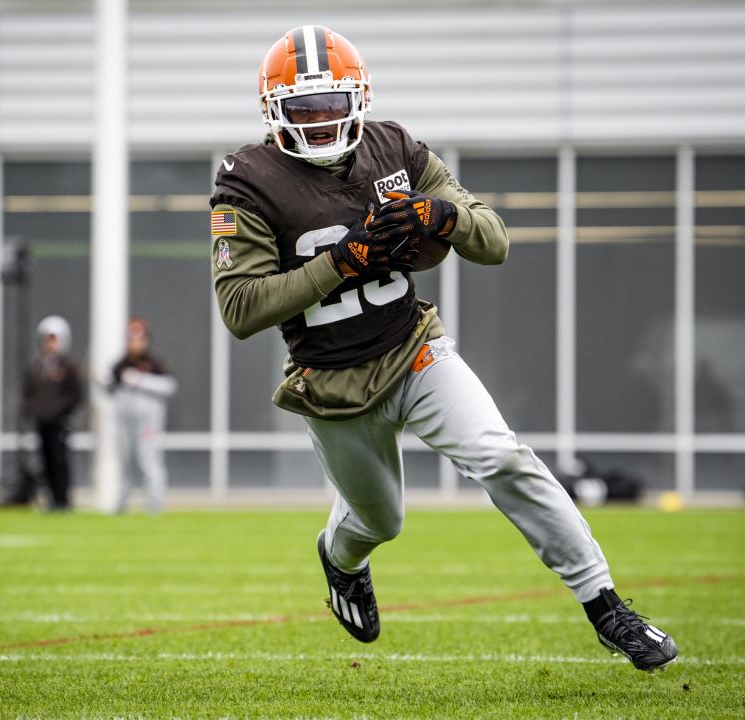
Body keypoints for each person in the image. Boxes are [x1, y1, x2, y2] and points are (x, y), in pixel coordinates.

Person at [209, 25, 678, 671]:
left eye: (330, 107)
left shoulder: (395, 147)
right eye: (303, 111)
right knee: (379, 523)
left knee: (503, 457)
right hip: (332, 380)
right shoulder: (248, 180)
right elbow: (240, 309)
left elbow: (494, 240)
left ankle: (605, 606)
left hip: (414, 349)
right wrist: (343, 262)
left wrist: (442, 217)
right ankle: (340, 559)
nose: (319, 123)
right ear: (274, 112)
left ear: (359, 101)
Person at [107, 318, 177, 514]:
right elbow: (111, 388)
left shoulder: (154, 363)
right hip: (124, 423)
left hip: (148, 424)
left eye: (139, 338)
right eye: (131, 338)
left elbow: (169, 386)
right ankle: (121, 504)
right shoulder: (120, 364)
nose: (135, 342)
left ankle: (154, 505)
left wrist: (141, 380)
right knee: (124, 462)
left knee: (149, 461)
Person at [23, 315, 83, 511]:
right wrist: (33, 410)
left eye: (54, 339)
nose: (50, 344)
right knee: (45, 461)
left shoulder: (69, 368)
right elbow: (29, 392)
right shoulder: (37, 367)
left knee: (60, 461)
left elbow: (75, 395)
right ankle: (50, 498)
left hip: (59, 423)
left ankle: (62, 499)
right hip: (42, 422)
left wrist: (60, 411)